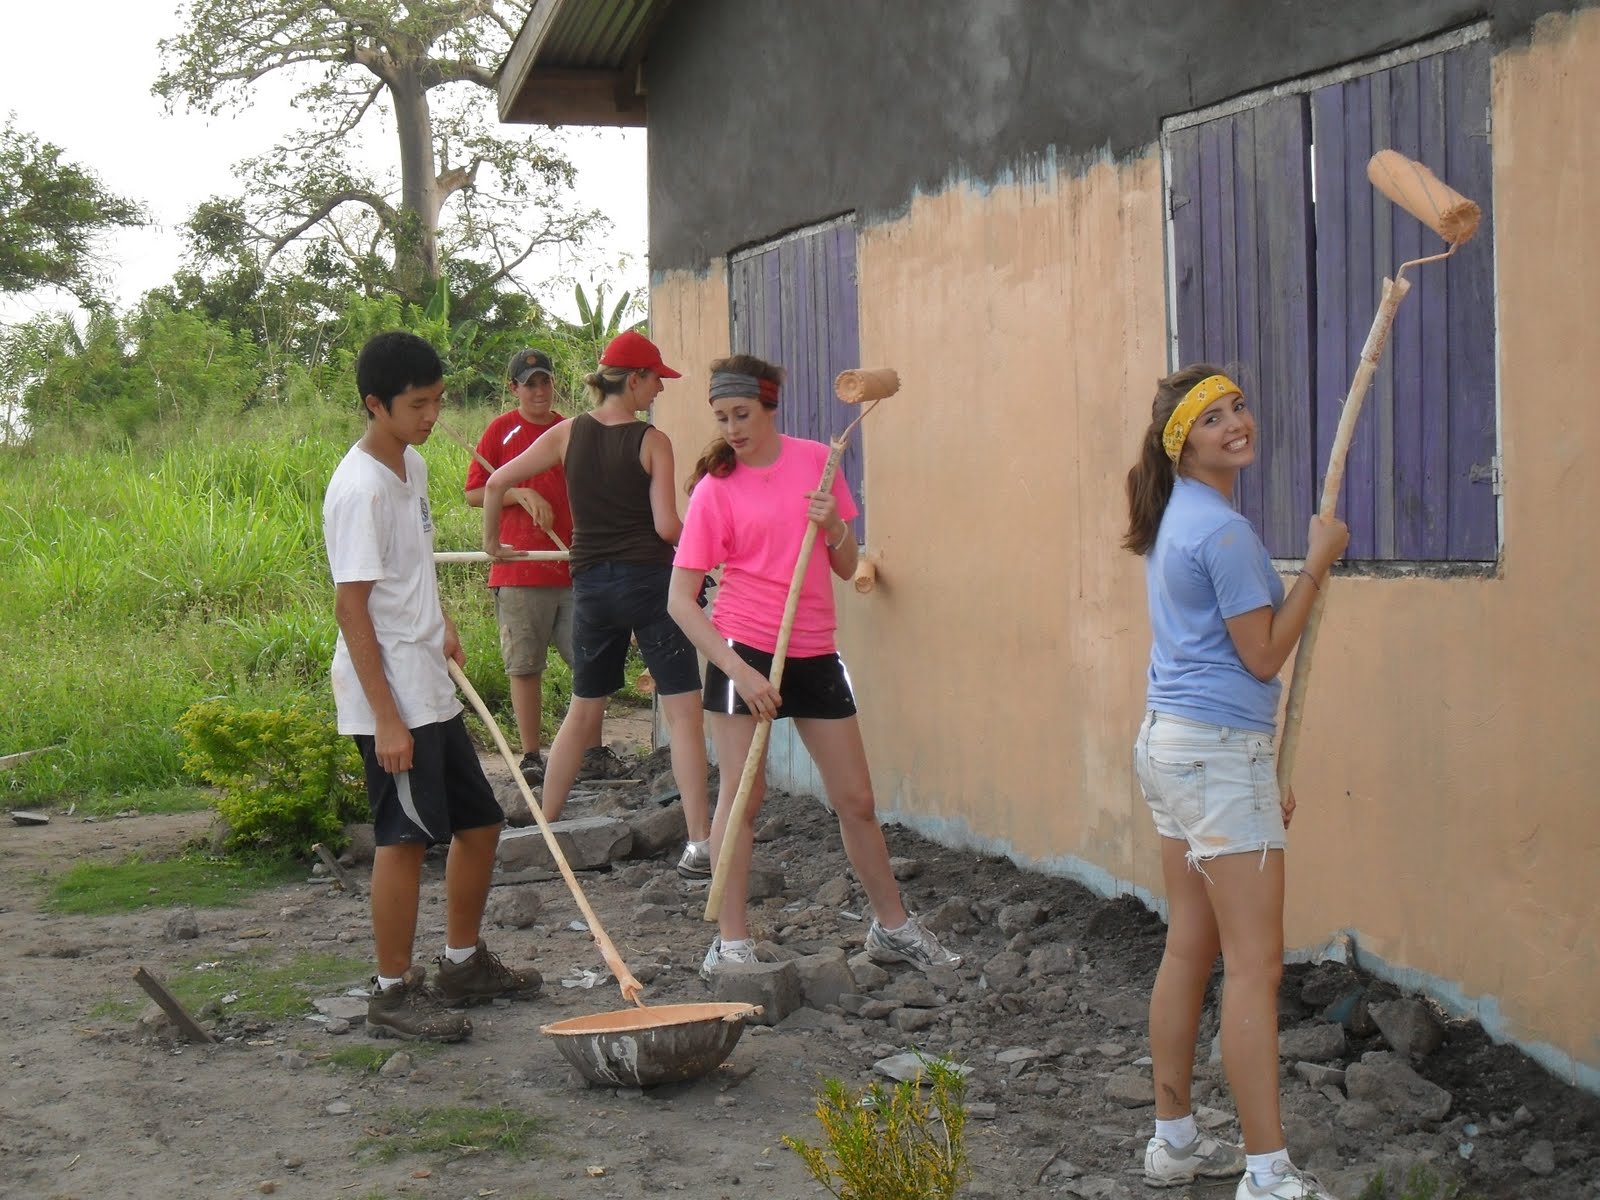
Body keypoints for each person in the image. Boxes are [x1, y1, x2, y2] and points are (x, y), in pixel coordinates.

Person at [1123, 364, 1349, 1198]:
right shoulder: (1221, 533)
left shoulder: (1177, 515)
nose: (1237, 423)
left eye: (1240, 407)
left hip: (1171, 747)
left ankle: (1174, 1143)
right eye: (1215, 418)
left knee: (1191, 942)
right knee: (1257, 966)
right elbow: (1261, 655)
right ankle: (1267, 1173)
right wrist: (1319, 562)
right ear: (1183, 442)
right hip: (1215, 754)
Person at [665, 354, 962, 979]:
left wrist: (831, 528)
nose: (733, 429)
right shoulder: (714, 490)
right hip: (742, 651)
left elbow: (846, 564)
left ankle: (893, 928)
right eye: (722, 418)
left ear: (771, 407)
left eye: (742, 414)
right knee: (744, 799)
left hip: (813, 649)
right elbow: (680, 602)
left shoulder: (816, 463)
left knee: (855, 797)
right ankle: (733, 941)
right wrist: (739, 674)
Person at [323, 330, 541, 1042]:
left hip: (428, 677)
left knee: (479, 824)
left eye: (438, 402)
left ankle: (461, 963)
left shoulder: (409, 466)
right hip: (392, 695)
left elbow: (408, 569)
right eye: (418, 405)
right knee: (406, 838)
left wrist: (440, 617)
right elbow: (352, 607)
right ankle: (391, 992)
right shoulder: (358, 489)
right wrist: (385, 719)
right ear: (374, 404)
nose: (431, 417)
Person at [481, 330, 713, 877]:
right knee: (683, 715)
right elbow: (664, 526)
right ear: (633, 380)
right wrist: (707, 545)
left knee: (584, 709)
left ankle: (544, 835)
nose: (657, 389)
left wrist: (495, 547)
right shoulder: (652, 441)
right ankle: (700, 844)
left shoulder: (566, 434)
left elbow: (495, 483)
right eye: (654, 379)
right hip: (651, 586)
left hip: (591, 587)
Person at [463, 347, 577, 786]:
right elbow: (476, 492)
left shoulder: (569, 430)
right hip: (518, 567)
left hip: (567, 563)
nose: (539, 390)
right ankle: (532, 755)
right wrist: (518, 494)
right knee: (525, 666)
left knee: (588, 662)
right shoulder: (500, 431)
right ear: (514, 388)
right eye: (529, 383)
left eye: (545, 381)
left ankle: (591, 748)